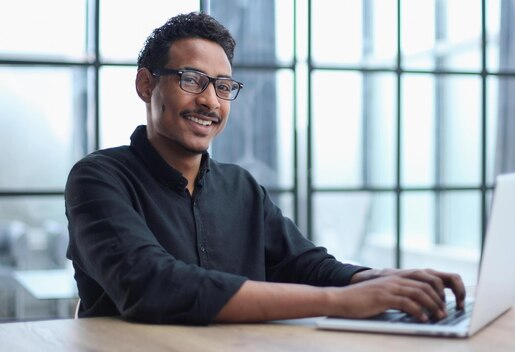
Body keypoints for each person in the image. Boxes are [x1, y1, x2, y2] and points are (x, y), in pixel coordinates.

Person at [65, 12, 465, 325]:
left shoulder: (241, 186)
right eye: (192, 80)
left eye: (223, 87)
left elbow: (305, 264)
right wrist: (343, 302)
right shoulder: (98, 178)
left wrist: (379, 281)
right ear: (146, 85)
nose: (211, 101)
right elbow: (153, 285)